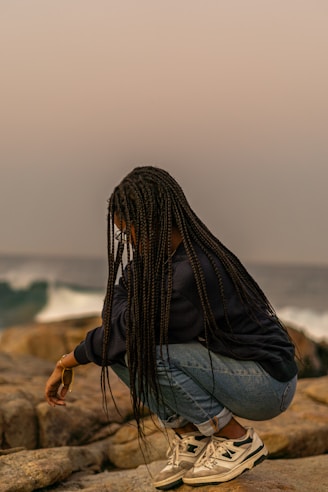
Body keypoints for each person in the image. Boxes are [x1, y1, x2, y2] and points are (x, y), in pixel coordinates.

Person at [45, 166, 298, 489]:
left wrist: (68, 360)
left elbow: (128, 328)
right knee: (122, 350)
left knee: (138, 349)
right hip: (236, 371)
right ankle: (191, 438)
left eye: (128, 232)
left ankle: (235, 440)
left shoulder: (190, 272)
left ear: (150, 223)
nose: (128, 242)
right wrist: (125, 315)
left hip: (267, 385)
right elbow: (116, 309)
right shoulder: (159, 260)